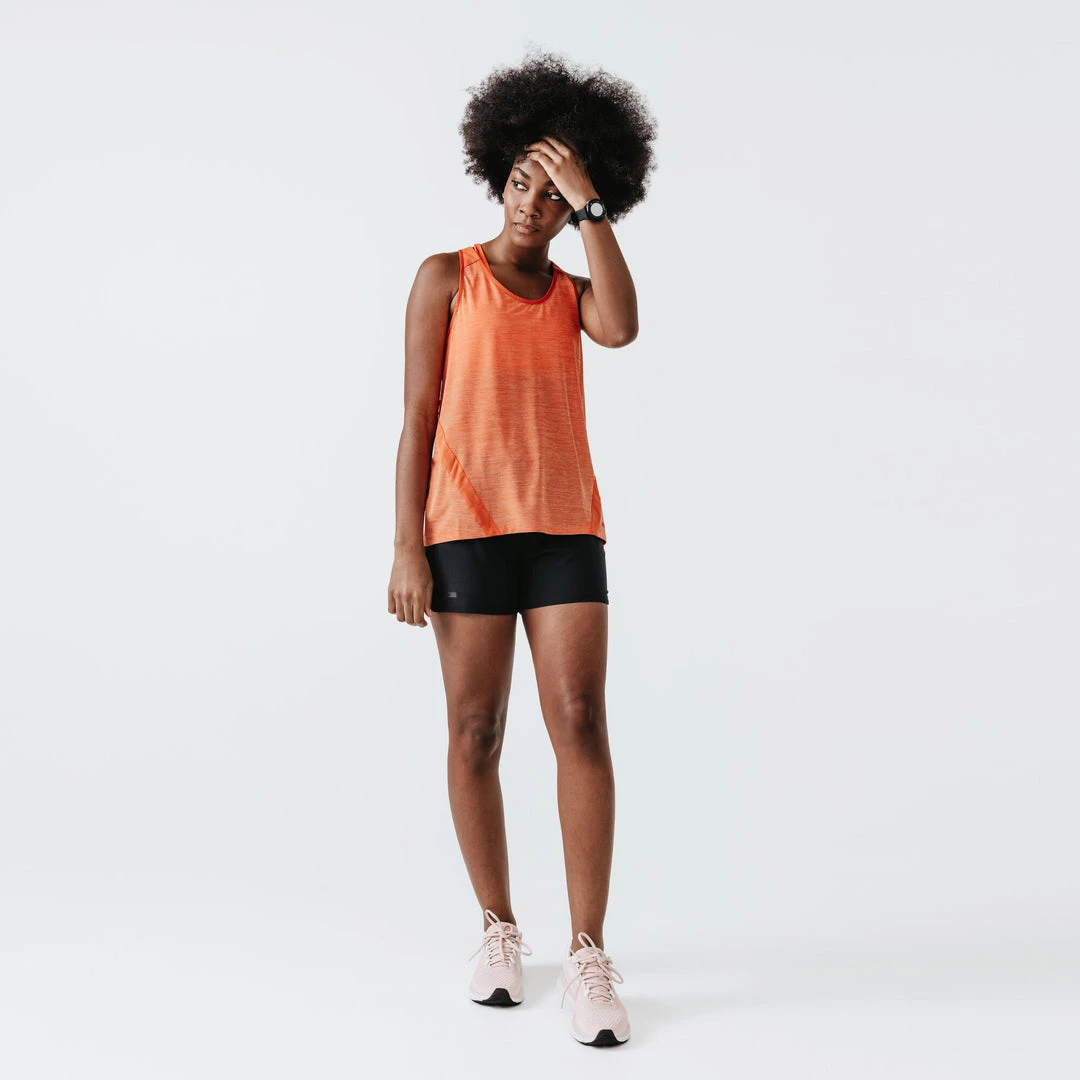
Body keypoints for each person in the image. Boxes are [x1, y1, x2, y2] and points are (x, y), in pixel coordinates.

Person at [386, 48, 657, 1048]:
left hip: (562, 530)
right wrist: (406, 547)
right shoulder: (444, 278)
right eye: (521, 183)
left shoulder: (574, 292)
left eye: (553, 195)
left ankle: (588, 953)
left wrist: (593, 209)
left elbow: (622, 328)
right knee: (476, 732)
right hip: (462, 532)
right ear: (497, 176)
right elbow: (417, 418)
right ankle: (499, 930)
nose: (530, 205)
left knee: (580, 720)